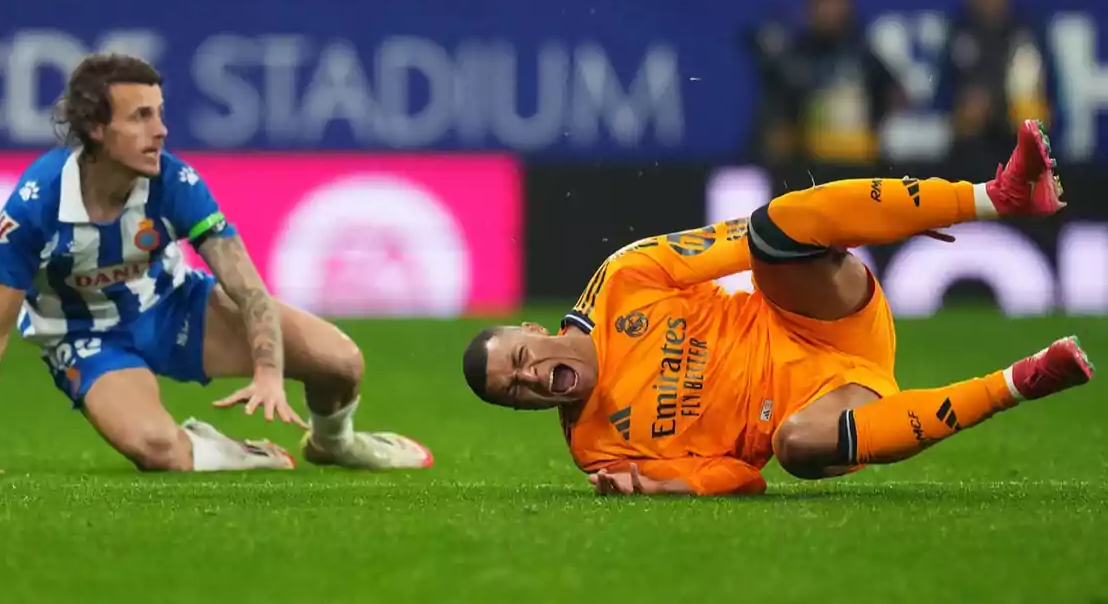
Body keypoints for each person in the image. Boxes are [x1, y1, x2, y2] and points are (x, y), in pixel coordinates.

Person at [461, 120, 1094, 496]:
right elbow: (743, 477)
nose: (527, 378)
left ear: (531, 329)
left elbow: (749, 234)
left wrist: (877, 219)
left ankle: (996, 196)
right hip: (824, 411)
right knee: (795, 445)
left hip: (818, 315)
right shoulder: (597, 449)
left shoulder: (626, 278)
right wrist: (658, 486)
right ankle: (1024, 381)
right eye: (514, 392)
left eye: (518, 359)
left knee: (773, 228)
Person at [0, 53, 432, 474]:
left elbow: (247, 287)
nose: (161, 131)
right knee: (156, 448)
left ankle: (335, 442)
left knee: (340, 363)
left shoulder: (174, 182)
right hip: (84, 336)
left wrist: (268, 371)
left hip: (173, 305)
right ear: (96, 128)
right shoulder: (35, 206)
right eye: (141, 117)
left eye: (160, 114)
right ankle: (235, 453)